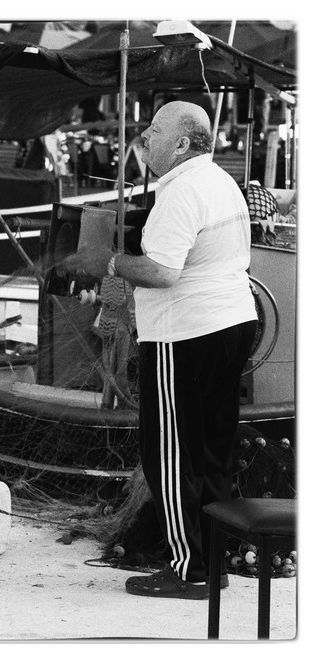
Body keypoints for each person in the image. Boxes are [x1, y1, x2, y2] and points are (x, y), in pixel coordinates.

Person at [61, 101, 257, 599]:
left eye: (155, 129)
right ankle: (213, 564)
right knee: (211, 451)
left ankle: (189, 571)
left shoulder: (182, 190)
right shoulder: (220, 182)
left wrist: (109, 262)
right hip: (233, 324)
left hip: (185, 334)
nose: (145, 137)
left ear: (183, 144)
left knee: (170, 453)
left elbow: (163, 272)